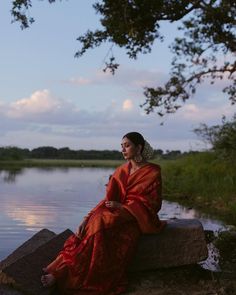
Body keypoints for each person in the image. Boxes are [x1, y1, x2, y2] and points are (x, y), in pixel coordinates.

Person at [41, 132, 166, 295]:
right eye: (121, 146)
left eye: (127, 146)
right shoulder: (121, 171)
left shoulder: (153, 172)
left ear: (139, 147)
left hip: (135, 219)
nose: (123, 150)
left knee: (101, 222)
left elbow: (153, 204)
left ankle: (62, 272)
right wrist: (86, 218)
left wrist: (122, 207)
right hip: (113, 215)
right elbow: (107, 200)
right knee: (94, 223)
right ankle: (61, 269)